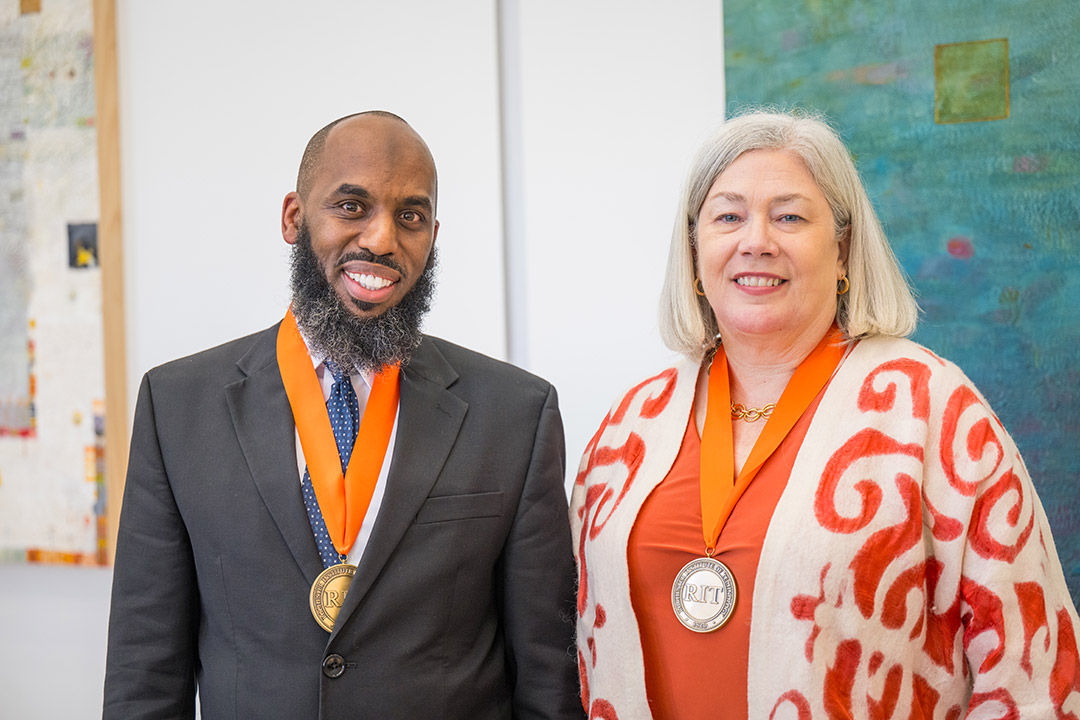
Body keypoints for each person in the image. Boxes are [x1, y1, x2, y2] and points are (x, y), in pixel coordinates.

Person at [571, 110, 1080, 718]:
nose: (755, 240)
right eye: (728, 217)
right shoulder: (630, 425)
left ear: (842, 250)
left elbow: (1035, 667)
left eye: (789, 216)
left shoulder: (928, 408)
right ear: (695, 250)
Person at [104, 111, 582, 720]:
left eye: (410, 216)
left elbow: (547, 676)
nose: (382, 240)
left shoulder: (516, 414)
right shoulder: (176, 406)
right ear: (294, 218)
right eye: (352, 207)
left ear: (433, 235)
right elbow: (144, 674)